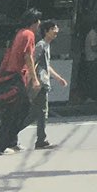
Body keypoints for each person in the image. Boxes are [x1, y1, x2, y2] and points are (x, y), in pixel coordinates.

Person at [0, 10, 43, 154]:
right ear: (34, 22)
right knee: (18, 112)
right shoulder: (29, 34)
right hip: (16, 77)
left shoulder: (20, 33)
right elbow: (28, 57)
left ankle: (11, 142)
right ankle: (0, 145)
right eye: (38, 21)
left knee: (14, 110)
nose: (39, 24)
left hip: (12, 75)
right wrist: (35, 79)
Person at [32, 21, 68, 149]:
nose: (56, 30)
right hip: (40, 83)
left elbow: (47, 66)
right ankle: (40, 140)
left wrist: (58, 78)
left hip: (43, 82)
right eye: (53, 28)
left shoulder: (46, 45)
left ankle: (39, 139)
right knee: (41, 112)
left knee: (37, 112)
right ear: (46, 31)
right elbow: (32, 62)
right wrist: (34, 79)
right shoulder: (41, 45)